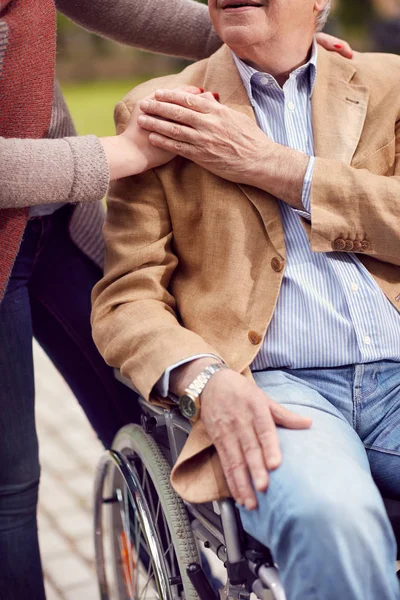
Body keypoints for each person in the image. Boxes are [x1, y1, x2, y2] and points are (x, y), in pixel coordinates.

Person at [92, 0, 400, 598]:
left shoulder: (392, 84)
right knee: (329, 516)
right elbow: (127, 298)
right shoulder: (162, 111)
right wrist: (206, 381)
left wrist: (276, 166)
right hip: (273, 387)